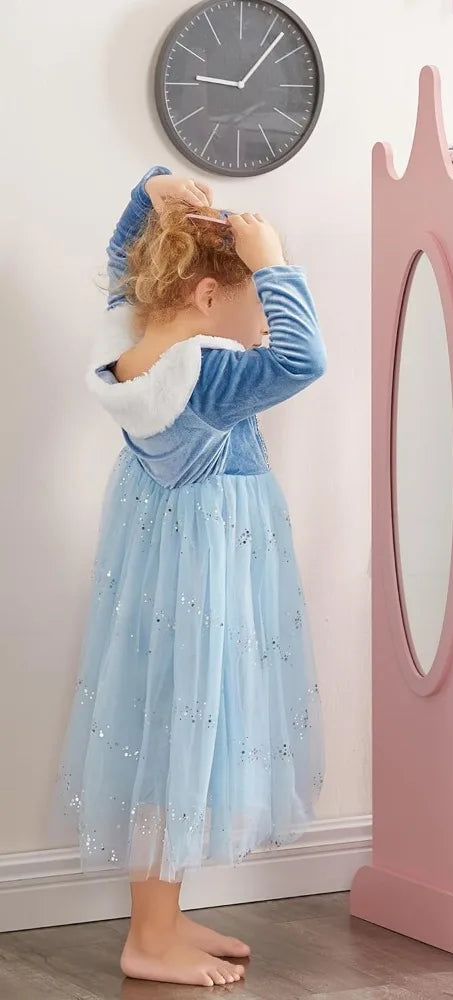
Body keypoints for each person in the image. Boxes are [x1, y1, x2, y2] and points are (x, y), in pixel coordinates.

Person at [57, 167, 327, 987]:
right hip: (208, 564)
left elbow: (121, 259)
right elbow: (304, 358)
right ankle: (148, 936)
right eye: (252, 306)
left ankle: (165, 918)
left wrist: (152, 191)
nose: (260, 328)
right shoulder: (208, 375)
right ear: (209, 296)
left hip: (159, 551)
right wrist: (275, 262)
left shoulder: (130, 339)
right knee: (185, 728)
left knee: (175, 721)